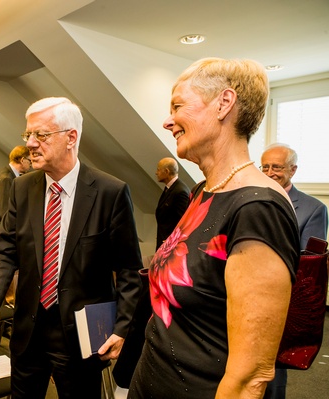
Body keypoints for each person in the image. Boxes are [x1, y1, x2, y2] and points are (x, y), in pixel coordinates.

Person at [129, 58, 300, 398]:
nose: (167, 121)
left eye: (178, 105)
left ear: (224, 104)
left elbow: (250, 377)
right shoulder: (202, 191)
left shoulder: (257, 209)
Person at [0, 97, 143, 398]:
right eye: (28, 135)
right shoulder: (22, 188)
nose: (30, 143)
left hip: (81, 337)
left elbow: (130, 270)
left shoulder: (110, 192)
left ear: (71, 137)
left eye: (40, 135)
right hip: (28, 331)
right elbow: (5, 252)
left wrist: (122, 329)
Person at [260, 143, 328, 399]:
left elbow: (308, 265)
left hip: (280, 302)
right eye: (264, 166)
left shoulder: (314, 209)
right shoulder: (251, 197)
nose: (269, 172)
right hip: (239, 296)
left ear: (293, 170)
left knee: (272, 372)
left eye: (276, 167)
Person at [0, 145, 31, 239]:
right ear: (22, 160)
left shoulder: (9, 175)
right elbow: (5, 211)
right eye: (29, 161)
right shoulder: (6, 178)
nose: (31, 164)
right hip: (5, 233)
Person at [154, 157, 190, 249]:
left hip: (170, 247)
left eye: (158, 170)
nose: (156, 173)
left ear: (166, 171)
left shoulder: (180, 191)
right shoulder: (170, 188)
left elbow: (183, 222)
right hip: (163, 243)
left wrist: (171, 242)